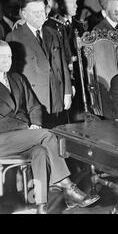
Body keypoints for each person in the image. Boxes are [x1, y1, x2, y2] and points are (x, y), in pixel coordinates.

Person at [0, 40, 99, 214]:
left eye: (9, 56)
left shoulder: (17, 78)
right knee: (47, 135)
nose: (7, 60)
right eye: (2, 57)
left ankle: (41, 207)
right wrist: (27, 127)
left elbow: (35, 106)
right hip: (3, 139)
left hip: (26, 136)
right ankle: (68, 186)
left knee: (41, 152)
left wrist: (36, 123)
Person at [6, 0, 72, 128]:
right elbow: (13, 76)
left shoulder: (53, 33)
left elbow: (62, 64)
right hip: (34, 100)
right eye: (36, 13)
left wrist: (67, 92)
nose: (41, 16)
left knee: (60, 136)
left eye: (42, 11)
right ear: (24, 14)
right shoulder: (14, 37)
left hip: (57, 96)